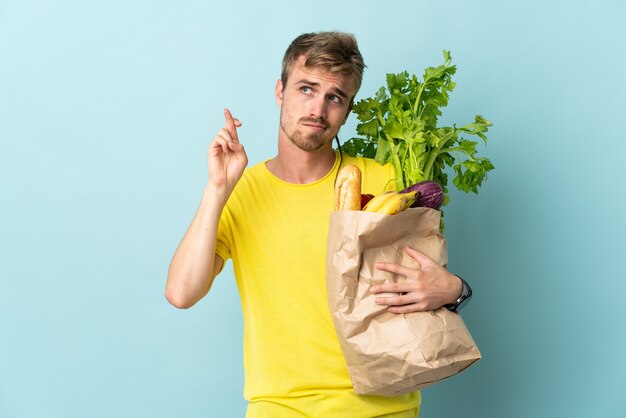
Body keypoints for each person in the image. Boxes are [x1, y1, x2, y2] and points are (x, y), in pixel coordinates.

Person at [165, 31, 469, 418]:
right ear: (280, 91)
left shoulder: (388, 182)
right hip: (280, 408)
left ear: (348, 108)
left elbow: (424, 287)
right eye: (306, 89)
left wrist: (456, 290)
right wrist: (217, 188)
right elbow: (181, 292)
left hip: (384, 408)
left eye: (335, 97)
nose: (317, 110)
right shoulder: (241, 192)